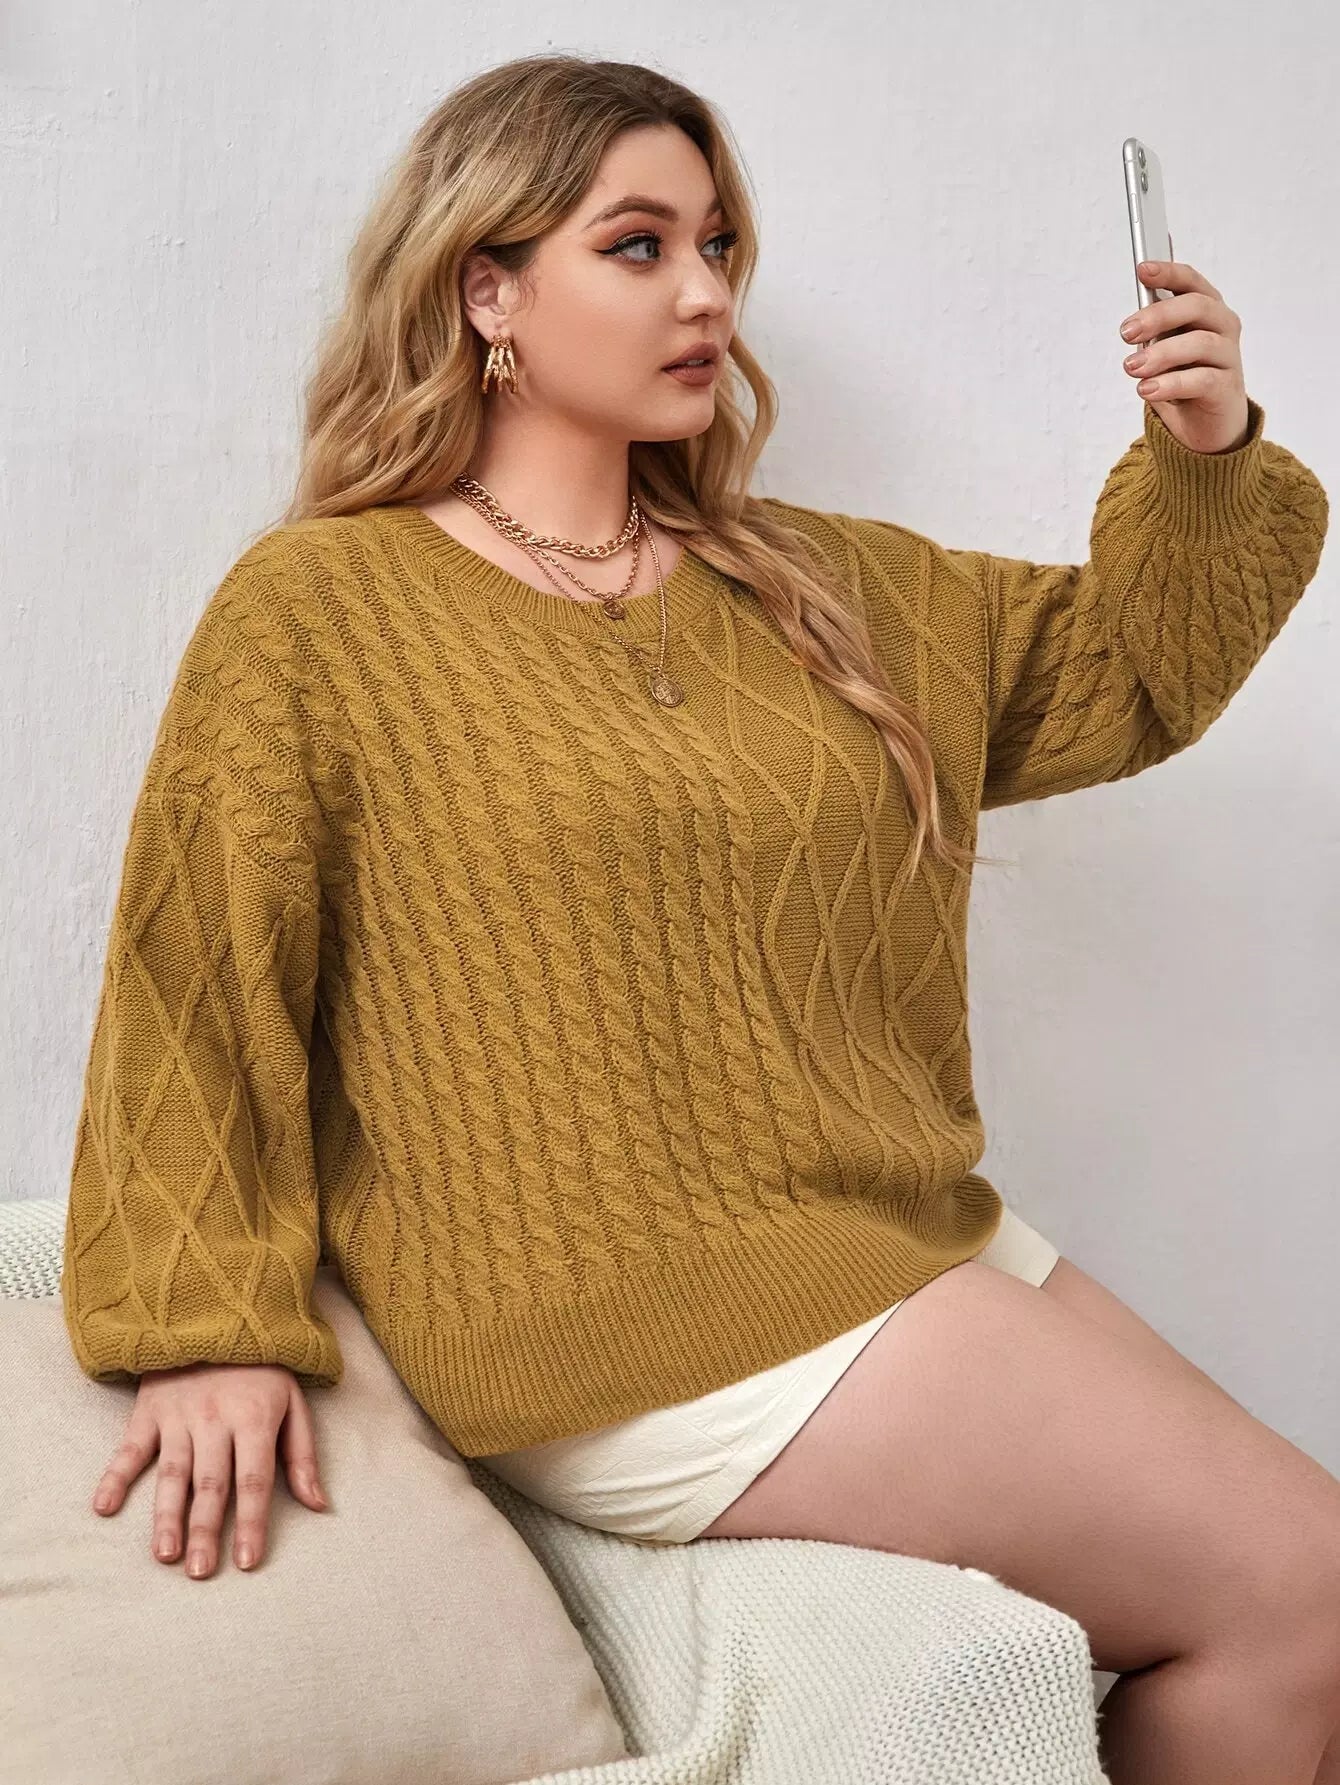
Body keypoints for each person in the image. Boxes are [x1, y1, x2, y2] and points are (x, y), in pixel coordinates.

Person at [60, 53, 1335, 1785]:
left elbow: (1129, 675)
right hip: (620, 1297)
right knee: (1306, 1582)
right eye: (638, 245)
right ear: (487, 289)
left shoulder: (819, 582)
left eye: (719, 243)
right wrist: (204, 1323)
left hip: (887, 1226)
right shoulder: (323, 606)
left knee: (1307, 1616)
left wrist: (1206, 453)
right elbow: (201, 976)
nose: (706, 293)